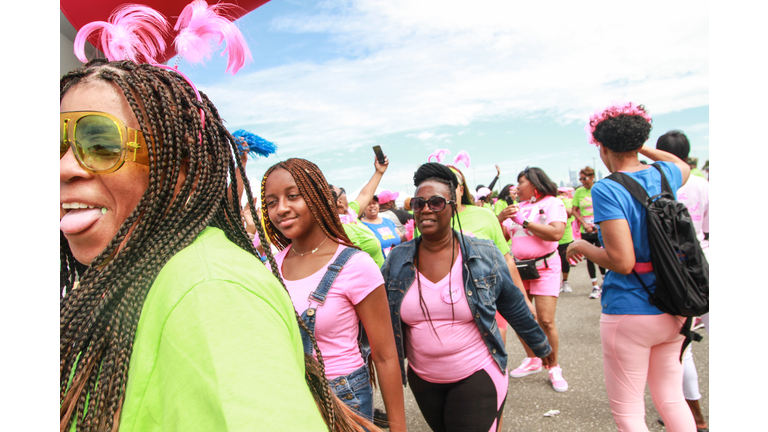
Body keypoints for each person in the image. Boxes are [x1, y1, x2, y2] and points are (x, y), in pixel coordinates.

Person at [60, 59, 357, 431]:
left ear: (183, 166)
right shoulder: (138, 274)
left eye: (101, 143)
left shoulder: (212, 291)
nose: (64, 167)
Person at [382, 162, 554, 432]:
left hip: (478, 374)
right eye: (418, 203)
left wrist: (540, 346)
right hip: (423, 381)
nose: (426, 209)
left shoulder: (483, 253)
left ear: (453, 207)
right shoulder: (397, 259)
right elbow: (378, 314)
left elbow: (513, 305)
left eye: (436, 202)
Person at [566, 102, 696, 431]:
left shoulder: (608, 188)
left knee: (629, 413)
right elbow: (682, 165)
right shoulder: (664, 174)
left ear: (603, 148)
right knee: (671, 398)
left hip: (631, 308)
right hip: (675, 303)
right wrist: (641, 147)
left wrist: (582, 246)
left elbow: (622, 262)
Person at [261, 158, 406, 431]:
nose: (281, 208)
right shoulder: (269, 268)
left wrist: (399, 428)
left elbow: (385, 357)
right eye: (271, 202)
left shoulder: (355, 265)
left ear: (317, 197)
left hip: (344, 401)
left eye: (293, 196)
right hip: (290, 399)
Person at [656, 130, 709, 432]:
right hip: (706, 260)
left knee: (681, 348)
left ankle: (695, 417)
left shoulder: (656, 184)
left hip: (676, 271)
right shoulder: (702, 183)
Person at [500, 167, 569, 392]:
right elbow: (503, 237)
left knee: (546, 321)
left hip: (545, 267)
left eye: (521, 182)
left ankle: (554, 366)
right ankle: (533, 359)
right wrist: (500, 219)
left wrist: (524, 222)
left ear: (534, 183)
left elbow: (556, 233)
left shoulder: (553, 203)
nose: (516, 187)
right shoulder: (517, 207)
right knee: (522, 317)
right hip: (519, 270)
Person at [329, 161, 389, 267]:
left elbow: (365, 195)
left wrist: (379, 172)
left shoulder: (349, 213)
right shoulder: (343, 228)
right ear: (339, 202)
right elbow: (353, 263)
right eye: (342, 191)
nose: (345, 193)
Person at [572, 166, 606, 298]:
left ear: (592, 177)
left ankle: (605, 281)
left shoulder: (598, 188)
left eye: (584, 178)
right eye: (580, 179)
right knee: (590, 258)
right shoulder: (579, 191)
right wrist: (584, 223)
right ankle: (595, 286)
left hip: (599, 228)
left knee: (602, 255)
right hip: (586, 229)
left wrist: (599, 223)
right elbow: (574, 210)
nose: (582, 181)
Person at [557, 187, 576, 293]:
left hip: (565, 236)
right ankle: (556, 283)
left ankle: (565, 281)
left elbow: (569, 213)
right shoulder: (552, 201)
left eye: (562, 192)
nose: (560, 194)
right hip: (552, 237)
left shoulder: (566, 201)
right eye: (559, 192)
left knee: (564, 260)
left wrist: (561, 202)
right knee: (554, 261)